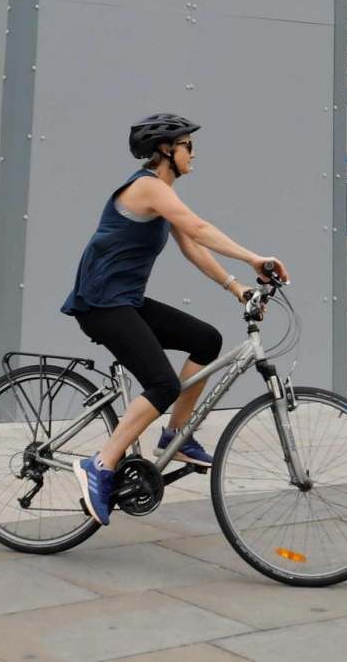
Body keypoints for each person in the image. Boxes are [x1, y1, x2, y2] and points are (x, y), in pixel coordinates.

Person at [61, 113, 287, 526]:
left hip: (125, 300)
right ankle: (101, 463)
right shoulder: (146, 187)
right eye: (188, 146)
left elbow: (192, 246)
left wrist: (237, 288)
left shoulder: (162, 194)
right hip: (101, 304)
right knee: (162, 384)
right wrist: (255, 257)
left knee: (206, 340)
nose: (194, 154)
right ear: (167, 150)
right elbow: (199, 229)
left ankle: (175, 436)